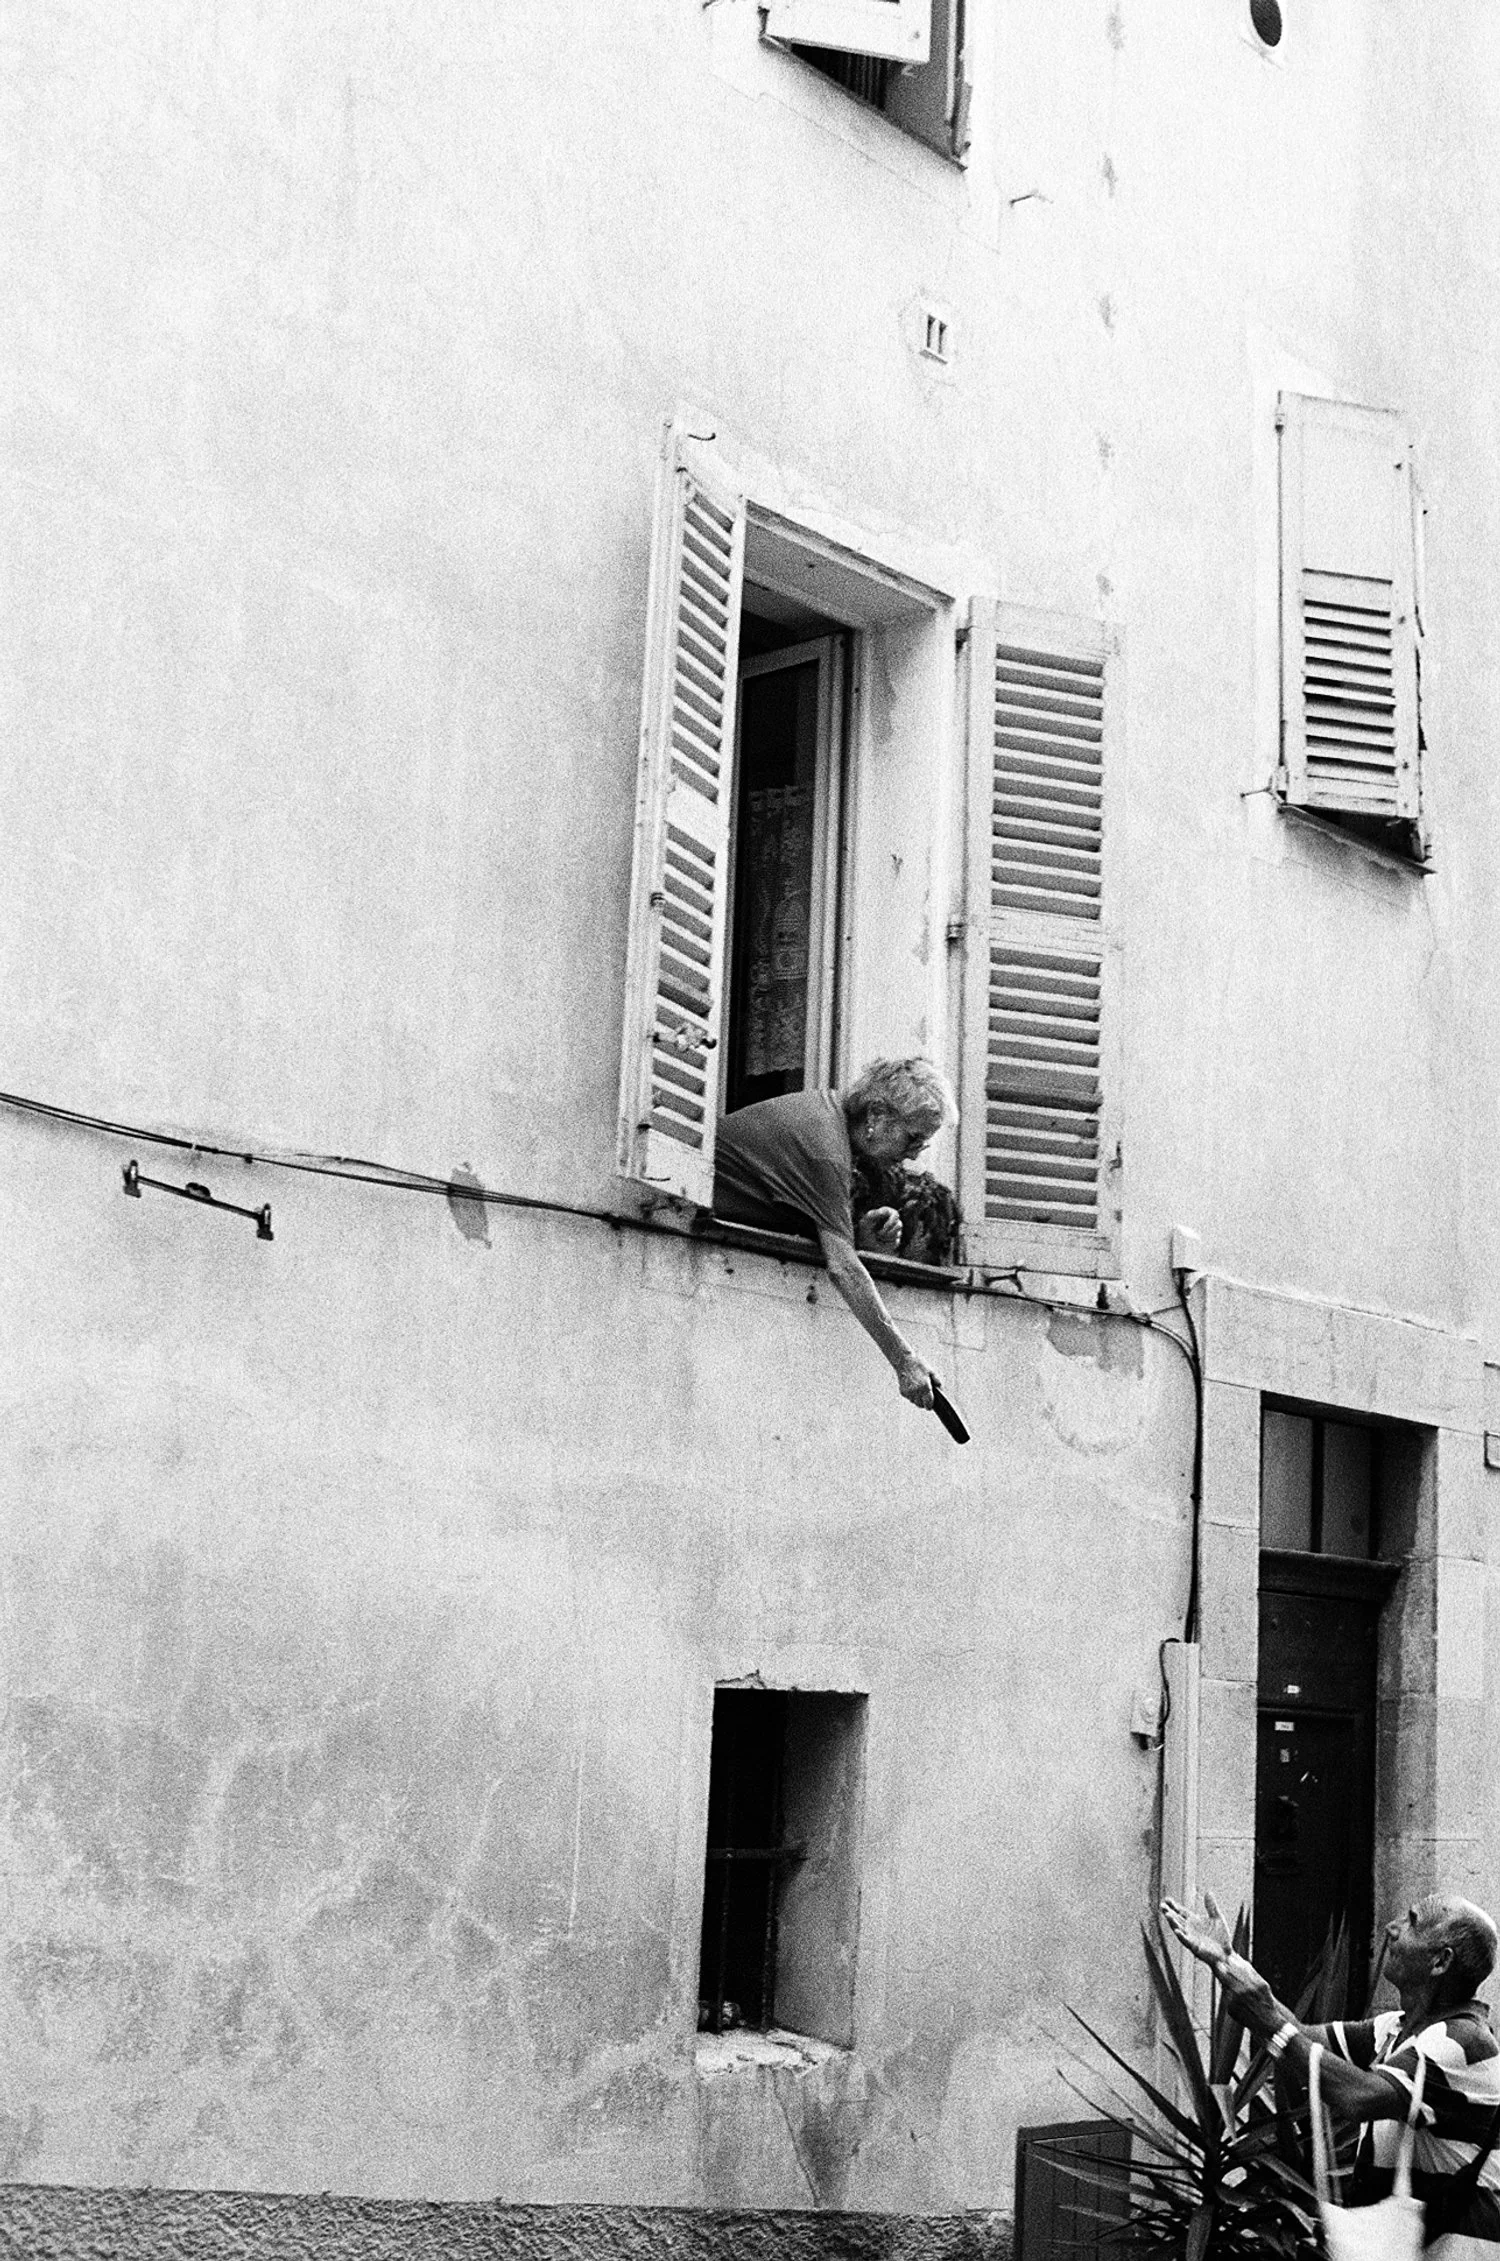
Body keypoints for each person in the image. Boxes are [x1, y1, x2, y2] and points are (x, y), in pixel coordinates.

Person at [1162, 1890, 1500, 2250]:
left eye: (1412, 1922)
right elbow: (1305, 2042)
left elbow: (1358, 2097)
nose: (1392, 1928)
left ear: (1440, 1961)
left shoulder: (1460, 2040)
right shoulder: (1396, 2029)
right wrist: (1227, 1962)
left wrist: (1270, 2024)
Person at [712, 1057, 958, 1410]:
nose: (916, 1153)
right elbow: (843, 1267)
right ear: (875, 1115)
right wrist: (904, 1361)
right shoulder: (826, 1150)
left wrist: (862, 1239)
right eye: (913, 1137)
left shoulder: (827, 1116)